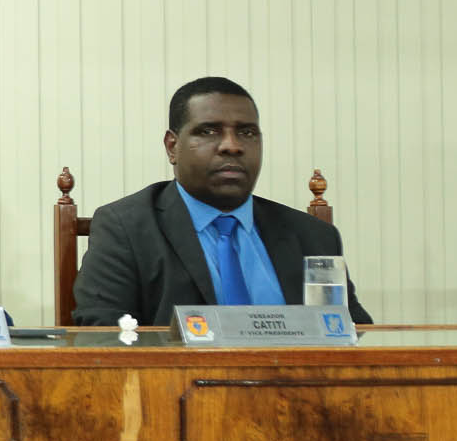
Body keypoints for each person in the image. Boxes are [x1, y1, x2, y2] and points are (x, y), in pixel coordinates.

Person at [71, 76, 368, 325]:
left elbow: (352, 333)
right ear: (172, 147)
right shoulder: (126, 228)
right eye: (209, 131)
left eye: (247, 132)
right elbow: (103, 335)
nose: (232, 146)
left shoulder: (312, 235)